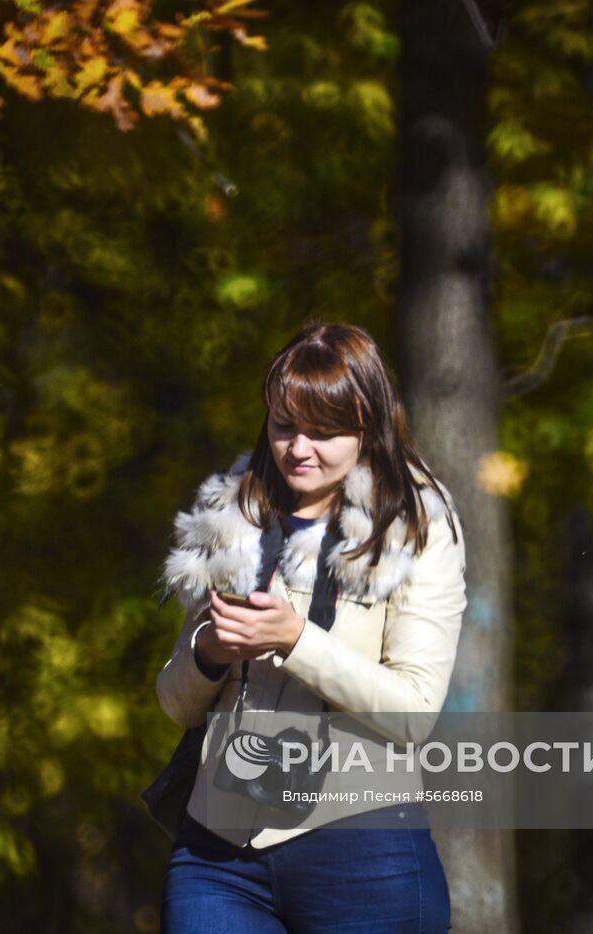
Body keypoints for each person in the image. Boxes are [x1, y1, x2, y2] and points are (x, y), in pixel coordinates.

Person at [153, 322, 468, 933]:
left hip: (365, 856)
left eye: (324, 431)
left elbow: (414, 712)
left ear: (368, 429)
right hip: (216, 854)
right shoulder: (234, 514)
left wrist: (293, 640)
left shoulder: (417, 527)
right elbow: (175, 704)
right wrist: (210, 652)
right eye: (283, 426)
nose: (299, 448)